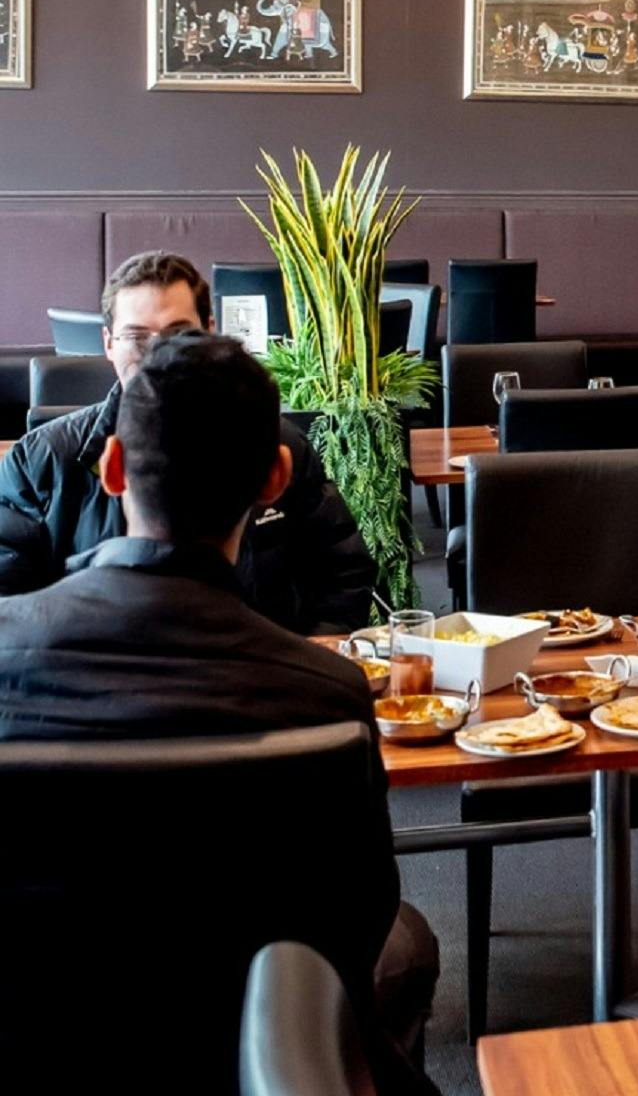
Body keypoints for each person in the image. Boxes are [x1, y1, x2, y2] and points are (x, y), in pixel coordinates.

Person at [0, 332, 438, 1090]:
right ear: (275, 478)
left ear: (110, 469)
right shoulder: (324, 699)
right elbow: (355, 919)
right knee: (408, 946)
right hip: (250, 1053)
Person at [0, 250, 373, 631]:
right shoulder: (39, 462)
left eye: (179, 334)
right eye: (136, 336)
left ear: (210, 331)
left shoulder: (275, 444)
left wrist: (303, 671)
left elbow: (342, 576)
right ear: (109, 343)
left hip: (257, 676)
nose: (159, 351)